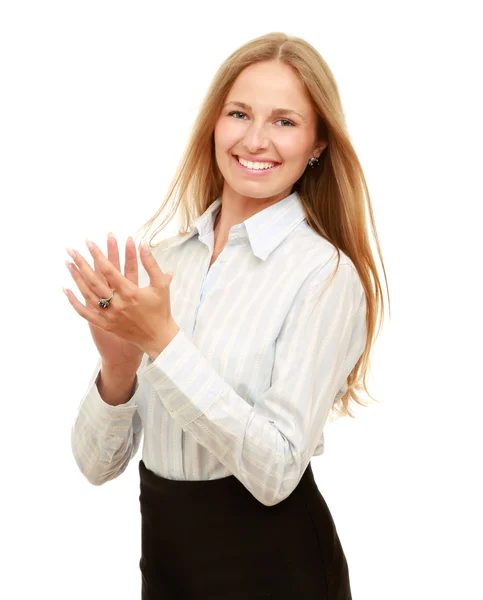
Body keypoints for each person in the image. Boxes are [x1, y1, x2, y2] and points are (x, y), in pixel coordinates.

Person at [65, 31, 389, 599]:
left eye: (285, 121)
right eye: (240, 113)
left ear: (318, 144)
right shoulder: (163, 263)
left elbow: (275, 474)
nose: (256, 139)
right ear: (215, 124)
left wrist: (164, 344)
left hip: (278, 570)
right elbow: (97, 468)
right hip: (166, 566)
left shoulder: (325, 277)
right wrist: (117, 370)